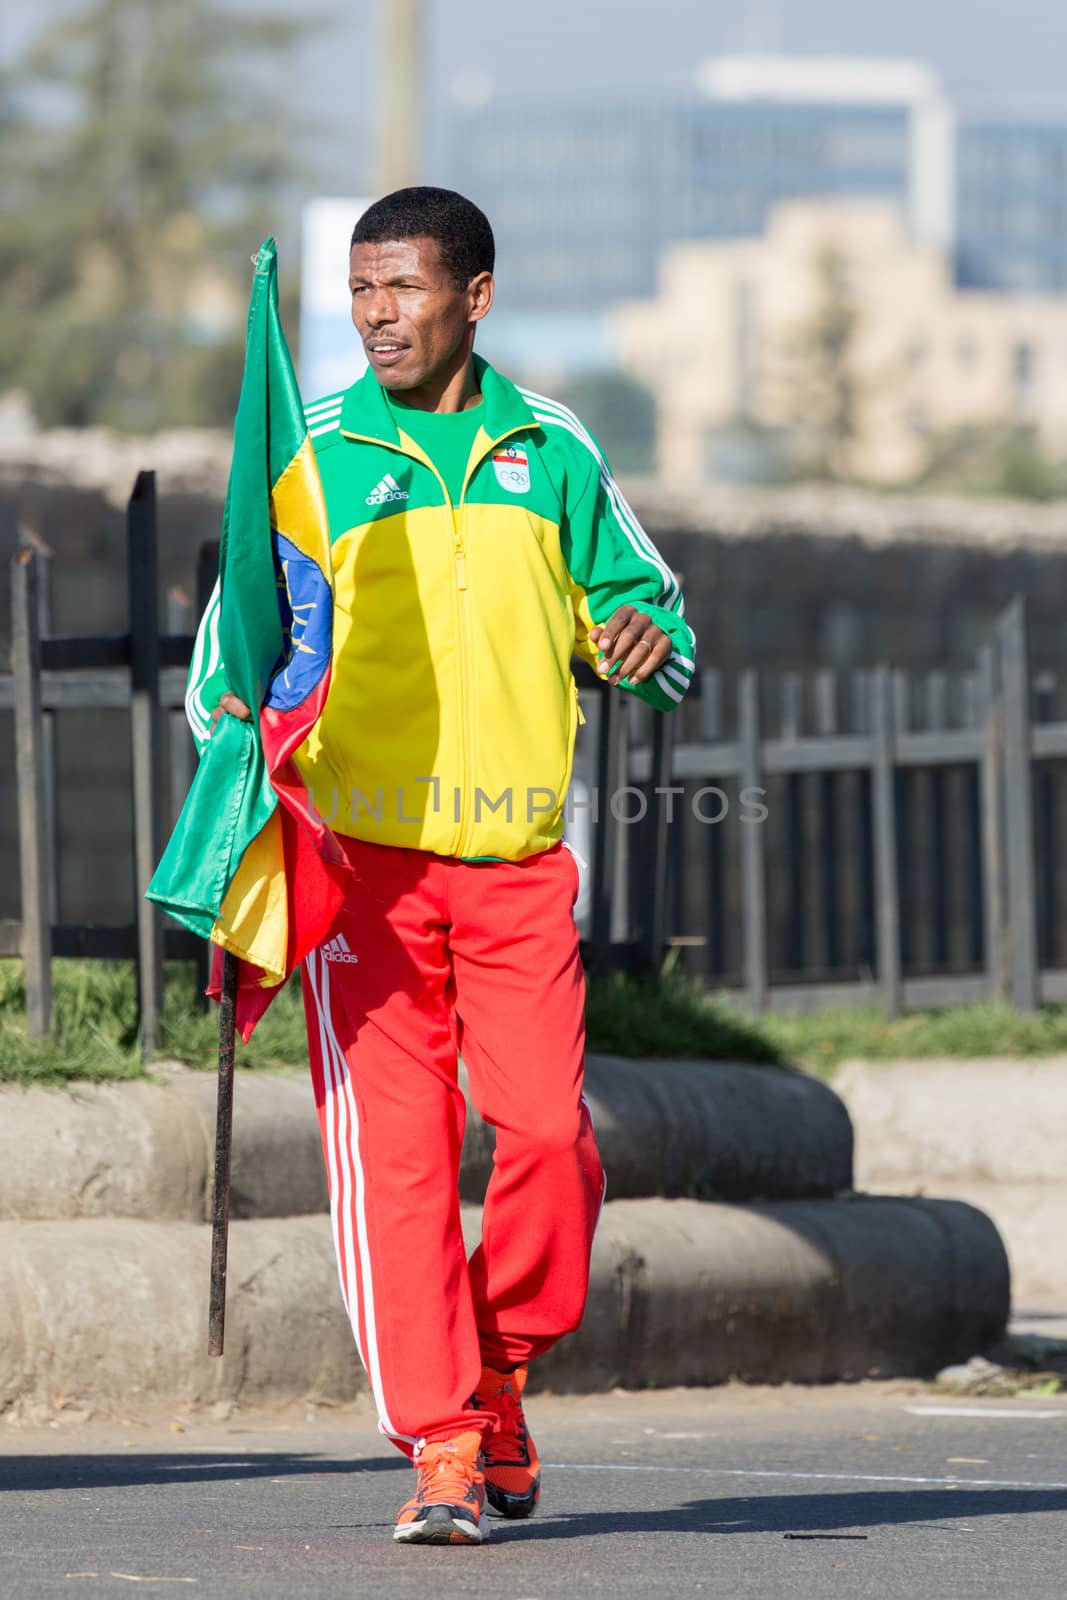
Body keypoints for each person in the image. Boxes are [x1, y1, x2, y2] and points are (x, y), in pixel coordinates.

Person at [193, 187, 695, 1545]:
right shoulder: (311, 455)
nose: (376, 317)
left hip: (519, 868)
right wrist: (243, 725)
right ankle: (448, 1449)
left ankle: (502, 1363)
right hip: (358, 874)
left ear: (476, 296)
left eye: (404, 290)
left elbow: (652, 617)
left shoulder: (555, 447)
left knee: (548, 1139)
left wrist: (636, 638)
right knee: (401, 1168)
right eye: (361, 292)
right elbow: (221, 665)